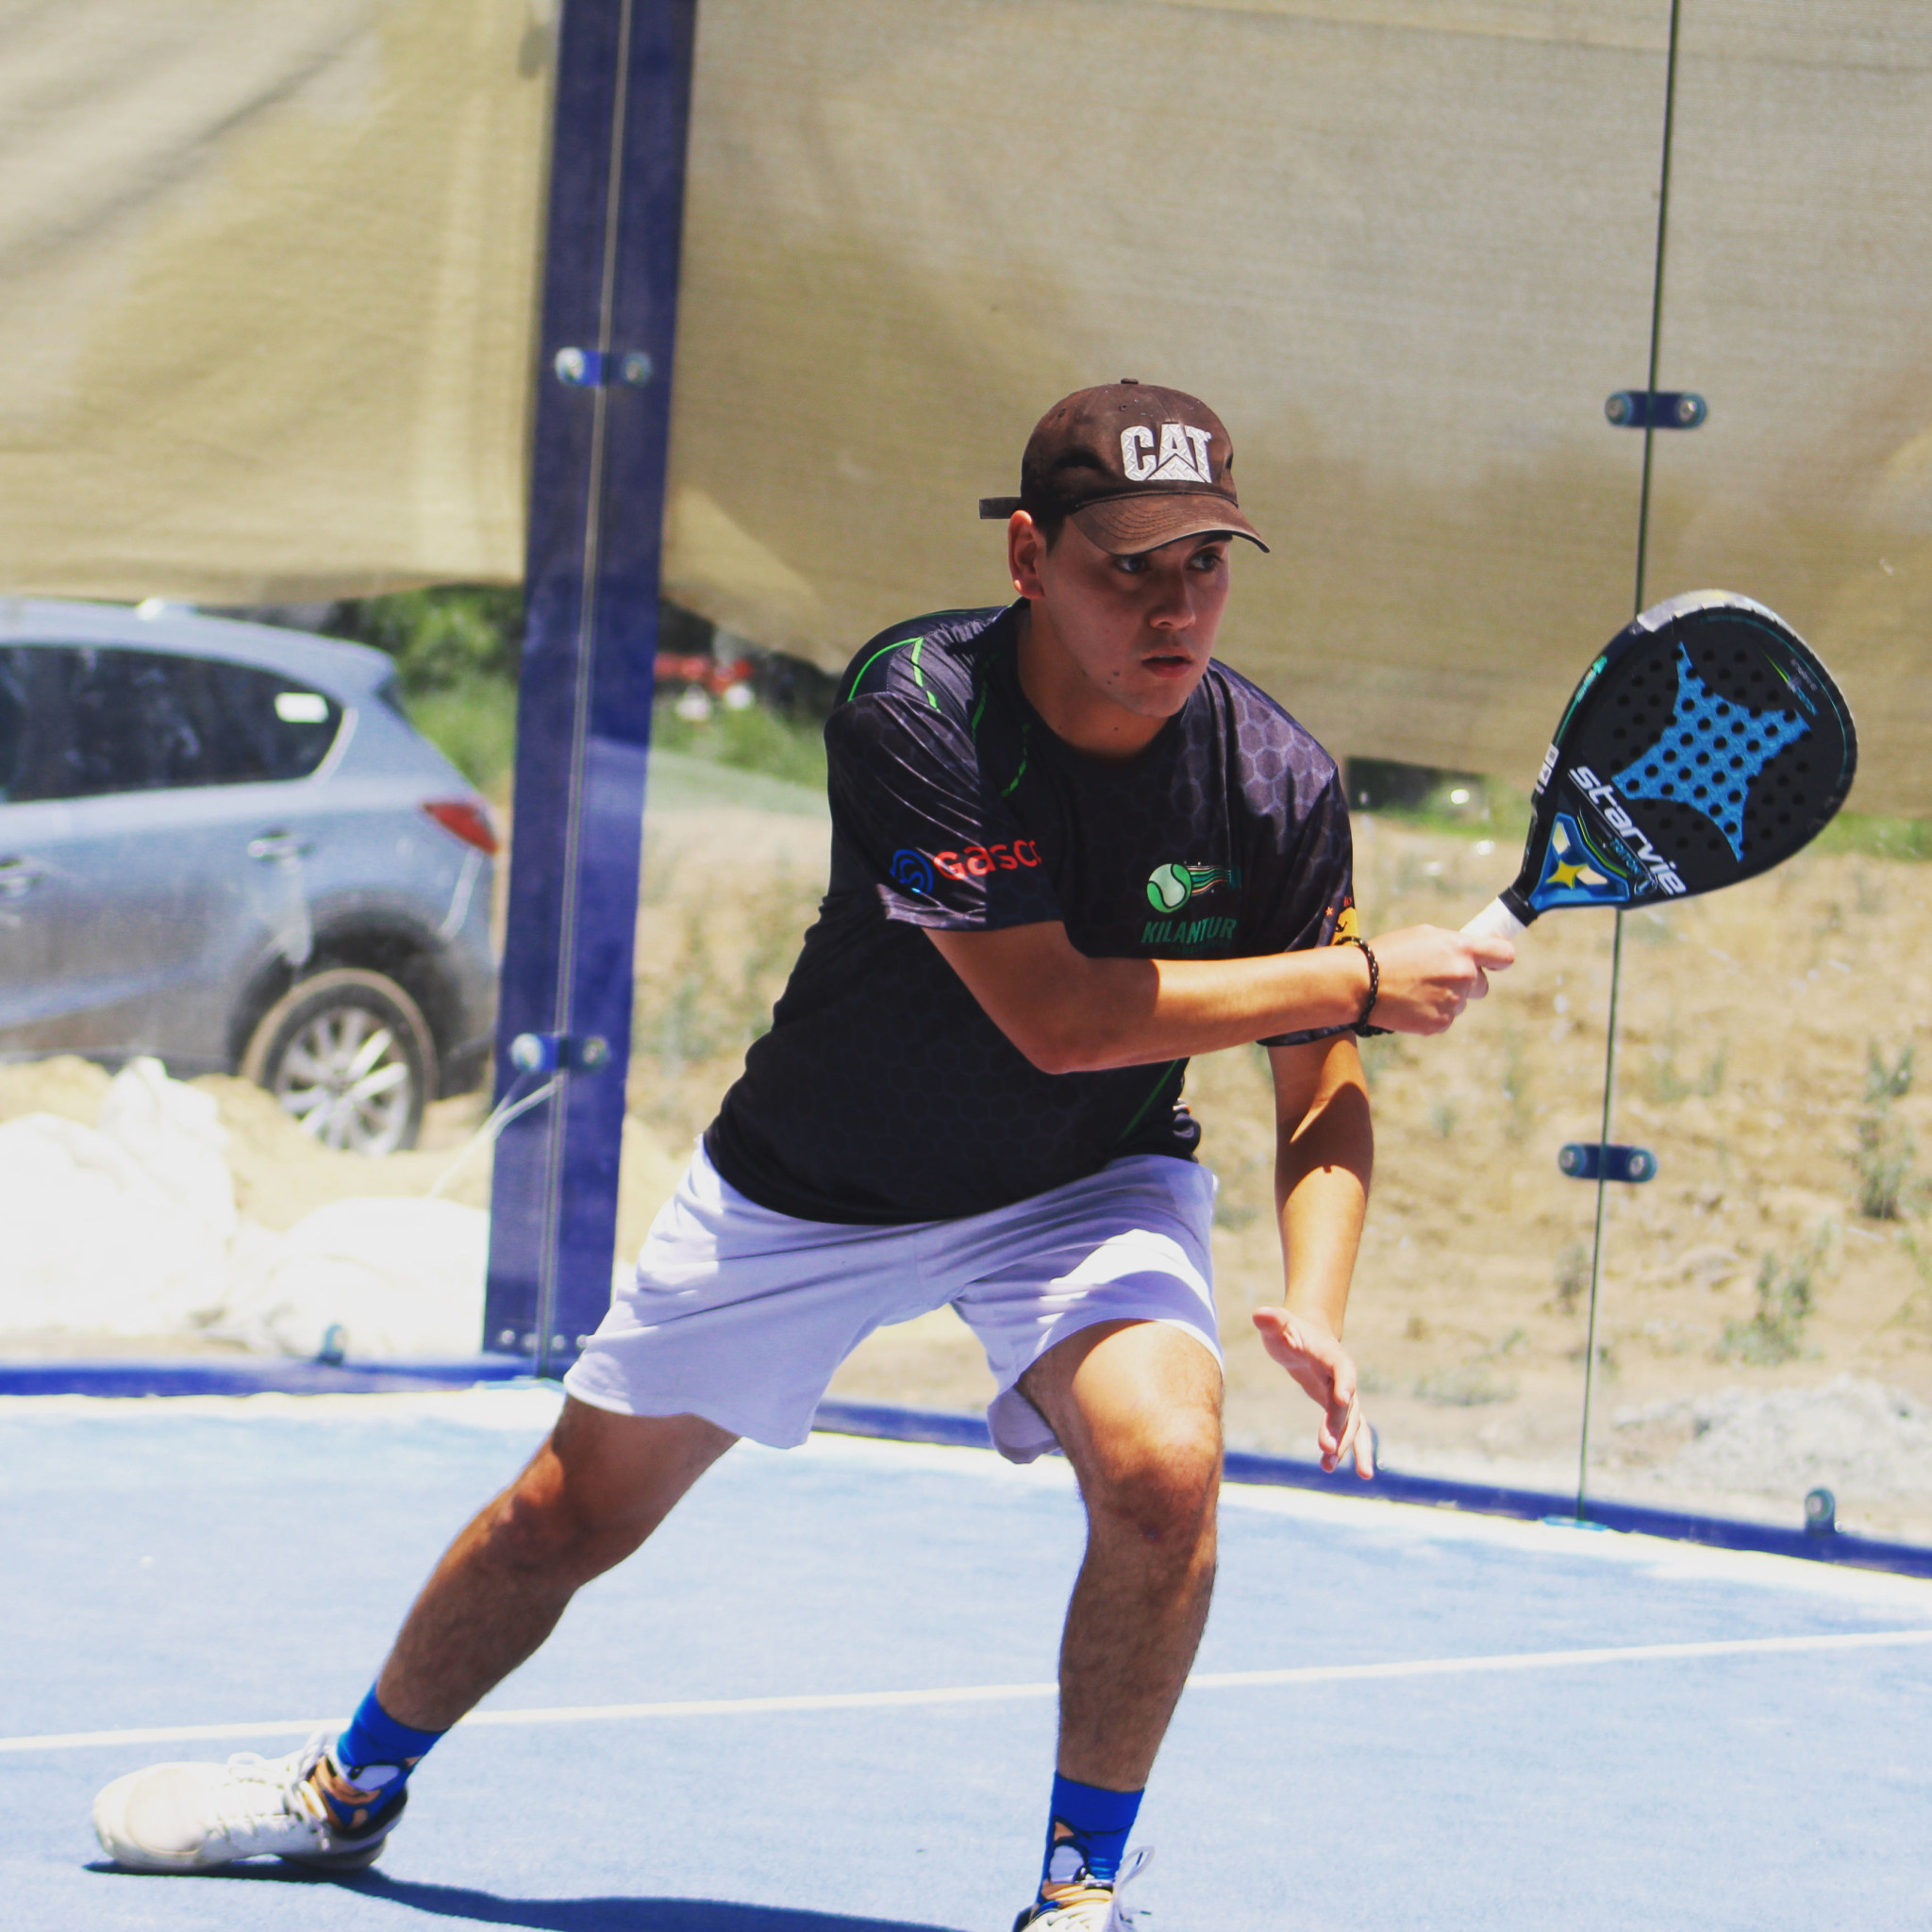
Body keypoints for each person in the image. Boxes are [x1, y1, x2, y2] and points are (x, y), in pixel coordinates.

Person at [92, 381, 1511, 1927]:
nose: (1174, 609)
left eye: (1206, 565)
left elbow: (1318, 1084)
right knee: (569, 1515)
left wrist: (1320, 1295)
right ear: (1029, 557)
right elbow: (1062, 1017)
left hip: (1083, 1184)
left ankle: (1078, 1898)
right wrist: (1358, 975)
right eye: (1128, 568)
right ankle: (342, 1792)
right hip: (818, 1181)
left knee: (1166, 1467)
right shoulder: (919, 707)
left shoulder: (1273, 780)